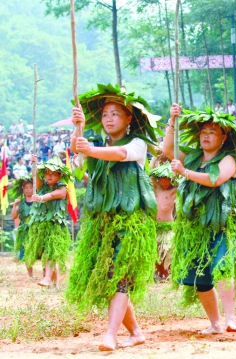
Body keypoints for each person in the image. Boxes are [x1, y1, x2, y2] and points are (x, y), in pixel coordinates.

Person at [66, 84, 160, 351]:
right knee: (110, 278)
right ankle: (136, 333)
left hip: (132, 223)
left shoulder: (138, 144)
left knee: (119, 277)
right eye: (105, 114)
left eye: (115, 114)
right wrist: (78, 127)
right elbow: (79, 154)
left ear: (129, 118)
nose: (108, 119)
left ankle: (111, 335)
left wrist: (89, 150)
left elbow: (119, 155)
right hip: (103, 224)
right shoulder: (94, 145)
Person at [163, 105, 236, 334]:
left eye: (212, 132)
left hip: (221, 225)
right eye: (203, 132)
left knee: (222, 268)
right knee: (201, 279)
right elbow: (168, 148)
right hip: (194, 228)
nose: (206, 136)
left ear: (223, 137)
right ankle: (215, 323)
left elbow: (215, 179)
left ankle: (231, 319)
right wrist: (172, 121)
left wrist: (184, 173)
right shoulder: (192, 158)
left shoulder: (229, 159)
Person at [24, 155, 71, 289]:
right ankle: (54, 283)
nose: (49, 177)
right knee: (47, 253)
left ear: (59, 175)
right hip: (42, 224)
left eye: (53, 174)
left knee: (51, 251)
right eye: (47, 173)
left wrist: (40, 198)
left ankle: (47, 278)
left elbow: (52, 195)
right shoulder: (42, 185)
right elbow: (36, 179)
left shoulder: (62, 188)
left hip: (55, 225)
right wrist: (34, 164)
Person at [148, 159, 178, 281]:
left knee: (168, 251)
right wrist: (157, 157)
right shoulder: (156, 188)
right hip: (156, 225)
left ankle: (168, 273)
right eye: (162, 179)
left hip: (168, 226)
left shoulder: (174, 190)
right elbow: (150, 173)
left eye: (167, 179)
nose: (164, 182)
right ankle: (158, 273)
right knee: (156, 251)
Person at [10, 175, 34, 278]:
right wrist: (15, 206)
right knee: (26, 252)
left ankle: (44, 273)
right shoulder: (21, 203)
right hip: (24, 230)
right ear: (23, 190)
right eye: (26, 188)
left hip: (36, 229)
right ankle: (30, 275)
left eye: (30, 187)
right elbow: (14, 216)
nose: (28, 189)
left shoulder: (38, 201)